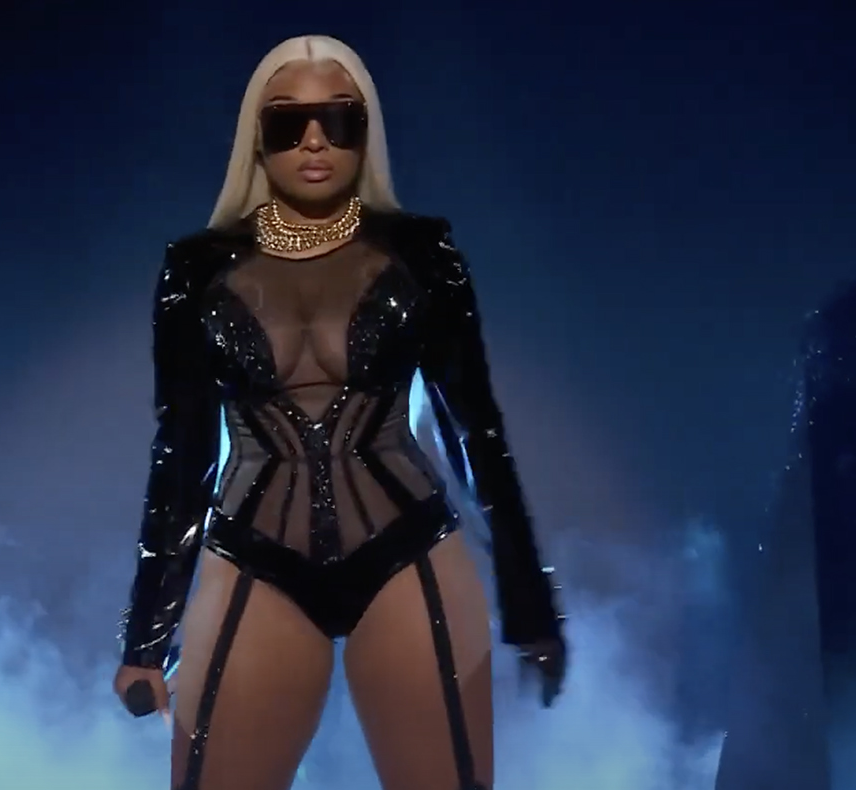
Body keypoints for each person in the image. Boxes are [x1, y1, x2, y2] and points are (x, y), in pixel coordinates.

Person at [112, 34, 567, 790]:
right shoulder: (196, 269)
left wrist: (530, 604)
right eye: (289, 122)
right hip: (253, 558)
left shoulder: (423, 254)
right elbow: (182, 454)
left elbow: (477, 433)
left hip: (408, 549)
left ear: (367, 129)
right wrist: (145, 640)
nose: (315, 141)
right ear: (257, 137)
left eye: (339, 119)